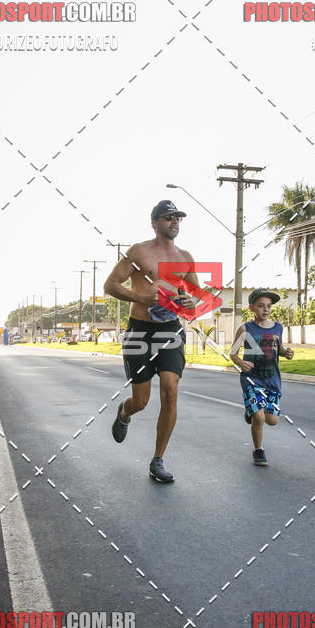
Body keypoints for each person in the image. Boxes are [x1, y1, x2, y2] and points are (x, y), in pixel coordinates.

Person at [104, 200, 198, 484]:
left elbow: (194, 303)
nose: (174, 222)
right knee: (141, 401)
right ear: (155, 222)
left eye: (177, 218)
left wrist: (189, 301)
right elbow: (110, 285)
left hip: (170, 330)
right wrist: (142, 298)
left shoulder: (185, 258)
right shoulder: (138, 252)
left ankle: (157, 459)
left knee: (170, 389)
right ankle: (124, 411)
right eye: (168, 218)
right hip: (139, 331)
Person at [229, 288, 294, 467]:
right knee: (259, 418)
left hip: (272, 378)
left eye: (268, 306)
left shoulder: (278, 327)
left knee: (272, 420)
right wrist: (241, 363)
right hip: (251, 378)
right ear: (251, 308)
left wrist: (286, 352)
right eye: (260, 306)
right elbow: (233, 353)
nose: (265, 309)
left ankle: (250, 409)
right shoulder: (245, 328)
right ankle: (259, 450)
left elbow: (279, 349)